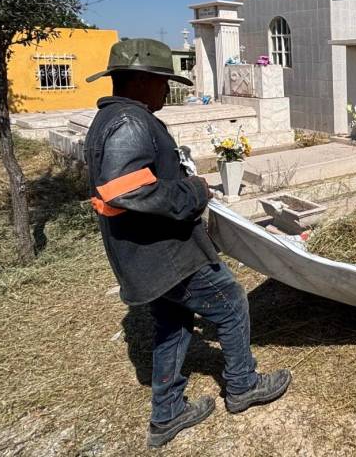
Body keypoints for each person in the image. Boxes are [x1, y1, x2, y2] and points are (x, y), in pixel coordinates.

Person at [84, 39, 290, 448]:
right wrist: (193, 193)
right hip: (166, 252)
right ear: (141, 81)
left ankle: (167, 414)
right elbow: (125, 190)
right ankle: (242, 385)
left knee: (174, 323)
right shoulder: (129, 124)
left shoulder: (116, 119)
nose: (166, 90)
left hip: (145, 254)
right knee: (230, 302)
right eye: (162, 82)